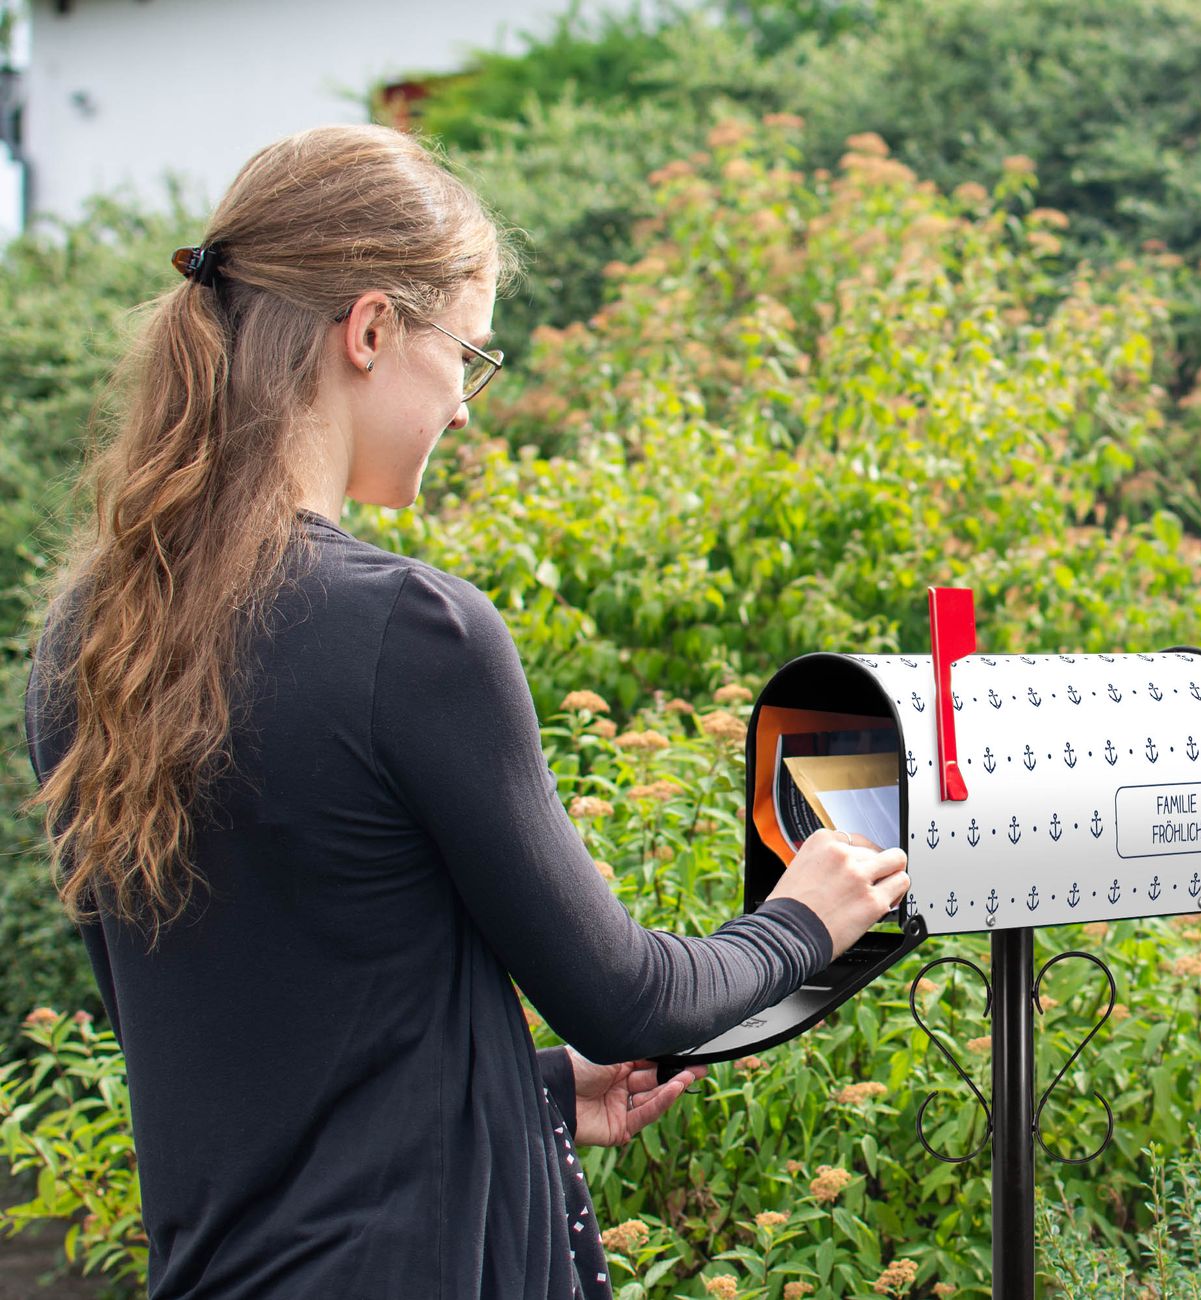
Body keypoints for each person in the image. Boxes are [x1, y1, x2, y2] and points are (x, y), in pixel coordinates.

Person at [21, 124, 910, 1300]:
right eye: (467, 355)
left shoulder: (87, 640)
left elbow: (237, 1045)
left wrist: (527, 1088)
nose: (465, 409)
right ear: (370, 329)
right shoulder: (405, 631)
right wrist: (802, 919)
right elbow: (629, 996)